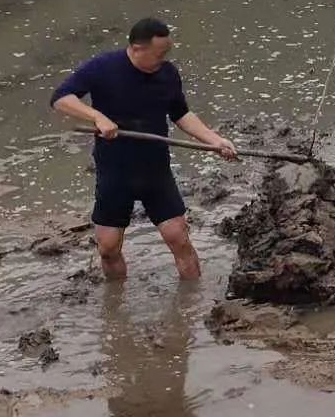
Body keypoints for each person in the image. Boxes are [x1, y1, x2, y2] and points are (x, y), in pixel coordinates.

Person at [50, 17, 237, 282]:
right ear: (137, 49)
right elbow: (61, 99)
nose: (164, 59)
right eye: (159, 54)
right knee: (108, 248)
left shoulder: (168, 74)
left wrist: (214, 140)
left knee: (178, 238)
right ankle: (116, 309)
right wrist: (97, 117)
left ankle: (192, 304)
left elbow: (181, 114)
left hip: (155, 170)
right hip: (114, 171)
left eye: (166, 53)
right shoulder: (103, 67)